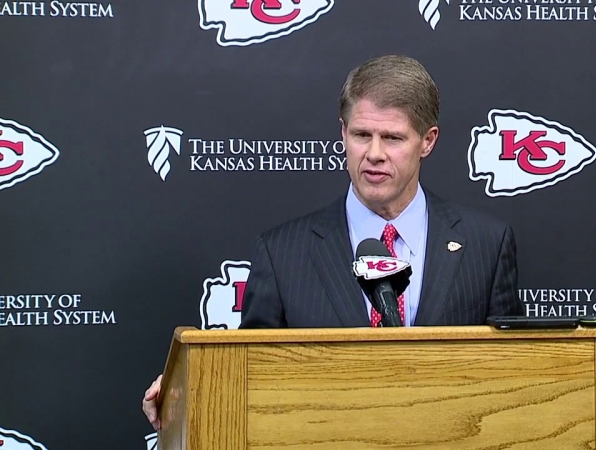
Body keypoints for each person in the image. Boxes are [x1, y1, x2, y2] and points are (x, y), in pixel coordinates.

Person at [142, 54, 523, 430]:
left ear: (427, 141)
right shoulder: (282, 253)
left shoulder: (486, 244)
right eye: (361, 135)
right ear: (343, 133)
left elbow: (516, 374)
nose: (374, 154)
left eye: (392, 138)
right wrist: (187, 394)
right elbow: (250, 377)